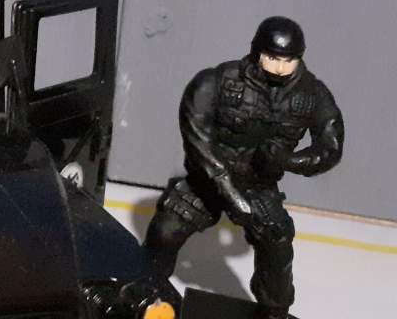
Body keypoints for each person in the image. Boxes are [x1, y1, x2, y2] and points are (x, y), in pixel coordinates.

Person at [143, 16, 344, 319]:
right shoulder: (216, 81)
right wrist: (229, 193)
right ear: (257, 51)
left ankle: (275, 312)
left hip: (259, 186)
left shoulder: (312, 94)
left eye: (288, 60)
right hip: (207, 182)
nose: (280, 67)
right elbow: (198, 143)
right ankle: (146, 295)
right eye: (272, 58)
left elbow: (330, 148)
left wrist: (289, 160)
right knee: (165, 231)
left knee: (278, 246)